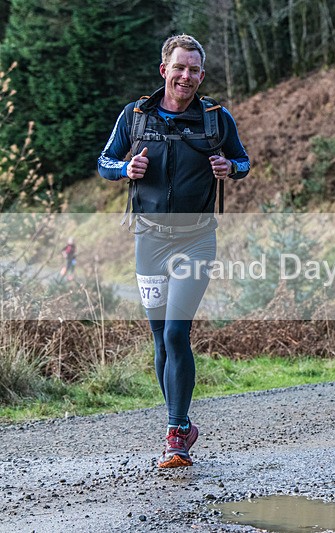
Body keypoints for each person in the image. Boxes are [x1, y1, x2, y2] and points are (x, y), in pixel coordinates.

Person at [98, 34, 250, 467]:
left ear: (202, 75)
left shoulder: (216, 119)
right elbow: (104, 162)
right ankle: (181, 423)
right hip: (148, 238)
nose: (186, 76)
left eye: (194, 70)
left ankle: (175, 434)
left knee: (176, 333)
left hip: (195, 239)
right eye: (179, 68)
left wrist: (229, 168)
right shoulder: (135, 115)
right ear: (164, 70)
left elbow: (243, 162)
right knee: (160, 340)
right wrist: (126, 167)